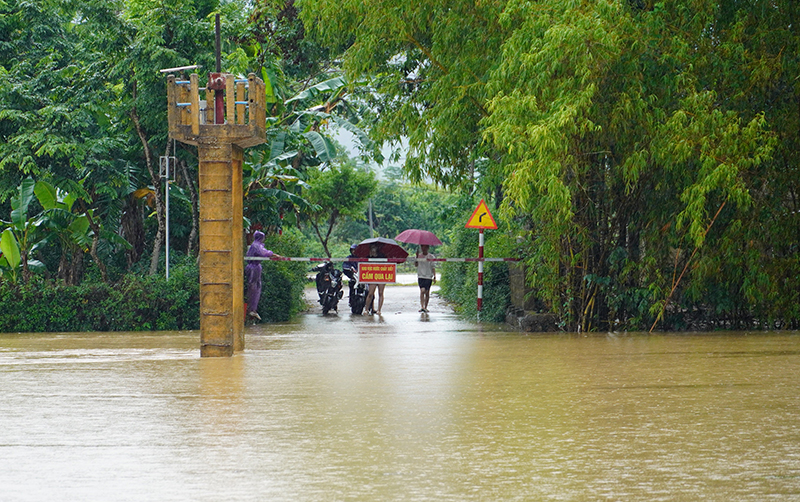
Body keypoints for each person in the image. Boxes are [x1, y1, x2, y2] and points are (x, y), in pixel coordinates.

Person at [244, 230, 281, 321]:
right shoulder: (256, 245)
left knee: (256, 288)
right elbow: (265, 253)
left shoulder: (255, 245)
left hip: (254, 267)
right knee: (253, 288)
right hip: (253, 268)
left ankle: (253, 309)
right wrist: (275, 255)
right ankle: (251, 309)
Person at [363, 244, 386, 315]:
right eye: (372, 248)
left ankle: (379, 309)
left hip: (381, 276)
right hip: (372, 277)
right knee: (370, 293)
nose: (373, 249)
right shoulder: (368, 257)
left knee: (381, 293)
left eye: (374, 248)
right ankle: (366, 309)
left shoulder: (382, 256)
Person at [415, 244, 436, 313]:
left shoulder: (431, 256)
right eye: (422, 247)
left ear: (428, 248)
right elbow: (416, 265)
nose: (423, 248)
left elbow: (433, 267)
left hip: (428, 276)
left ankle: (426, 307)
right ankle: (422, 306)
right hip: (421, 276)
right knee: (422, 291)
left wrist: (434, 276)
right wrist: (416, 257)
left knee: (427, 292)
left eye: (425, 247)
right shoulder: (419, 256)